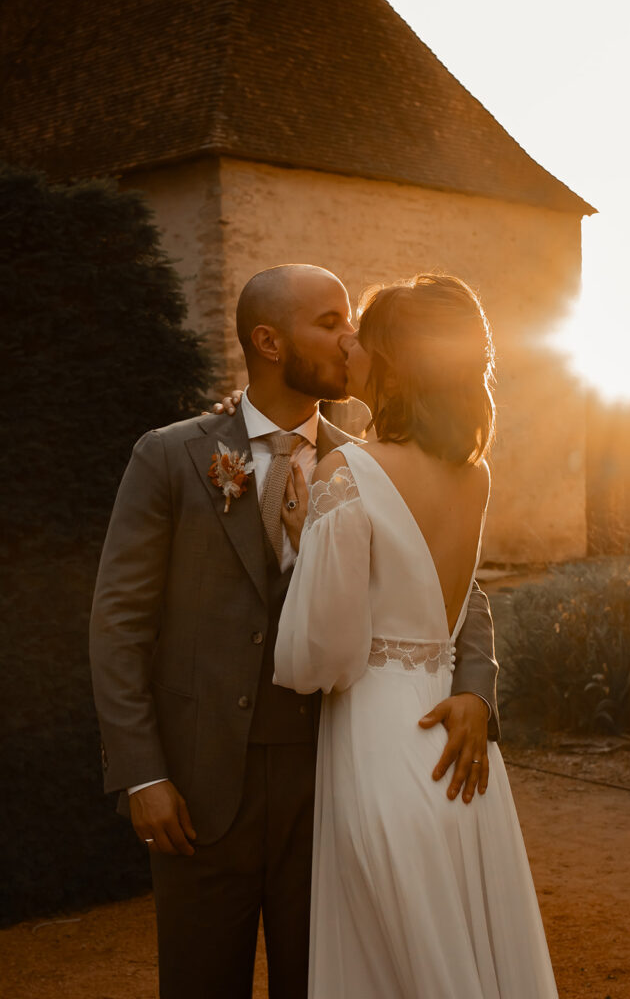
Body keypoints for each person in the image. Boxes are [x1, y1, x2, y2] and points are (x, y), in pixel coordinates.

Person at [89, 264, 500, 999]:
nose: (350, 338)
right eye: (330, 321)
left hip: (333, 776)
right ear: (268, 341)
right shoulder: (170, 455)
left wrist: (473, 689)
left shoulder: (373, 460)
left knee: (323, 983)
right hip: (199, 781)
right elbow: (117, 622)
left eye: (353, 322)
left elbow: (455, 589)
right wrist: (142, 773)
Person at [274, 273, 558, 998]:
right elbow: (447, 605)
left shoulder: (347, 472)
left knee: (390, 948)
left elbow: (319, 656)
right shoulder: (474, 475)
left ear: (390, 364)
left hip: (376, 735)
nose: (347, 348)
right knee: (454, 936)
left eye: (359, 339)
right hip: (452, 740)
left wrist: (305, 541)